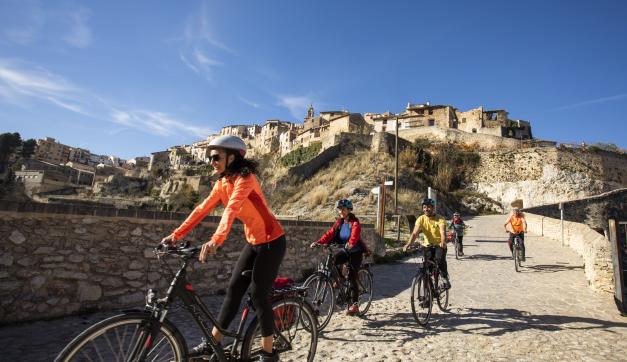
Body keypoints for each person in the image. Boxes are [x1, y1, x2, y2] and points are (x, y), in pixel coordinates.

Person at [161, 135, 285, 362]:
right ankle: (213, 343)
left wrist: (216, 240)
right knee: (233, 291)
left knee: (259, 296)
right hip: (254, 242)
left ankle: (269, 352)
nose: (212, 161)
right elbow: (201, 209)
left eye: (216, 157)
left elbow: (231, 210)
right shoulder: (222, 183)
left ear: (233, 157)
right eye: (210, 157)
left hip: (273, 241)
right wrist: (175, 235)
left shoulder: (245, 179)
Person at [310, 199, 368, 316]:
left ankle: (355, 305)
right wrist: (319, 242)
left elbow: (355, 234)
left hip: (355, 252)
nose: (340, 211)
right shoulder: (339, 222)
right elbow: (330, 233)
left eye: (342, 209)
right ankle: (341, 279)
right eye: (339, 209)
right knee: (334, 260)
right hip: (345, 250)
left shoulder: (354, 222)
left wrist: (351, 243)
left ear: (349, 210)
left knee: (352, 276)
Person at [403, 198, 451, 289]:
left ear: (433, 208)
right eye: (424, 207)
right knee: (426, 269)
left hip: (439, 245)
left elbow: (442, 233)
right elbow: (414, 233)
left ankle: (445, 278)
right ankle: (428, 295)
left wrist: (443, 242)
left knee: (439, 259)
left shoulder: (440, 219)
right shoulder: (421, 219)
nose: (426, 209)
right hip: (427, 245)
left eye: (428, 207)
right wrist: (408, 244)